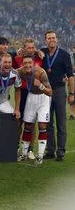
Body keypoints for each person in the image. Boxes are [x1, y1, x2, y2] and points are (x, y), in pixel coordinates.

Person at [41, 31, 74, 161]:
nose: (51, 40)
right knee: (48, 122)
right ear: (45, 40)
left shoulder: (64, 55)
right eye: (49, 38)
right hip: (45, 91)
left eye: (53, 38)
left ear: (57, 39)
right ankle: (50, 151)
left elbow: (70, 75)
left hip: (59, 90)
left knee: (61, 123)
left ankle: (60, 152)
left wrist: (72, 93)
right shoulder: (42, 53)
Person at [17, 55, 52, 165]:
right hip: (31, 97)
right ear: (22, 64)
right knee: (28, 125)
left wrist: (41, 86)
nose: (27, 65)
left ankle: (40, 156)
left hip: (43, 99)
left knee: (42, 126)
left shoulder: (40, 72)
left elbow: (50, 92)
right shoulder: (20, 72)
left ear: (33, 64)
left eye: (29, 63)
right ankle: (23, 154)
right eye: (25, 63)